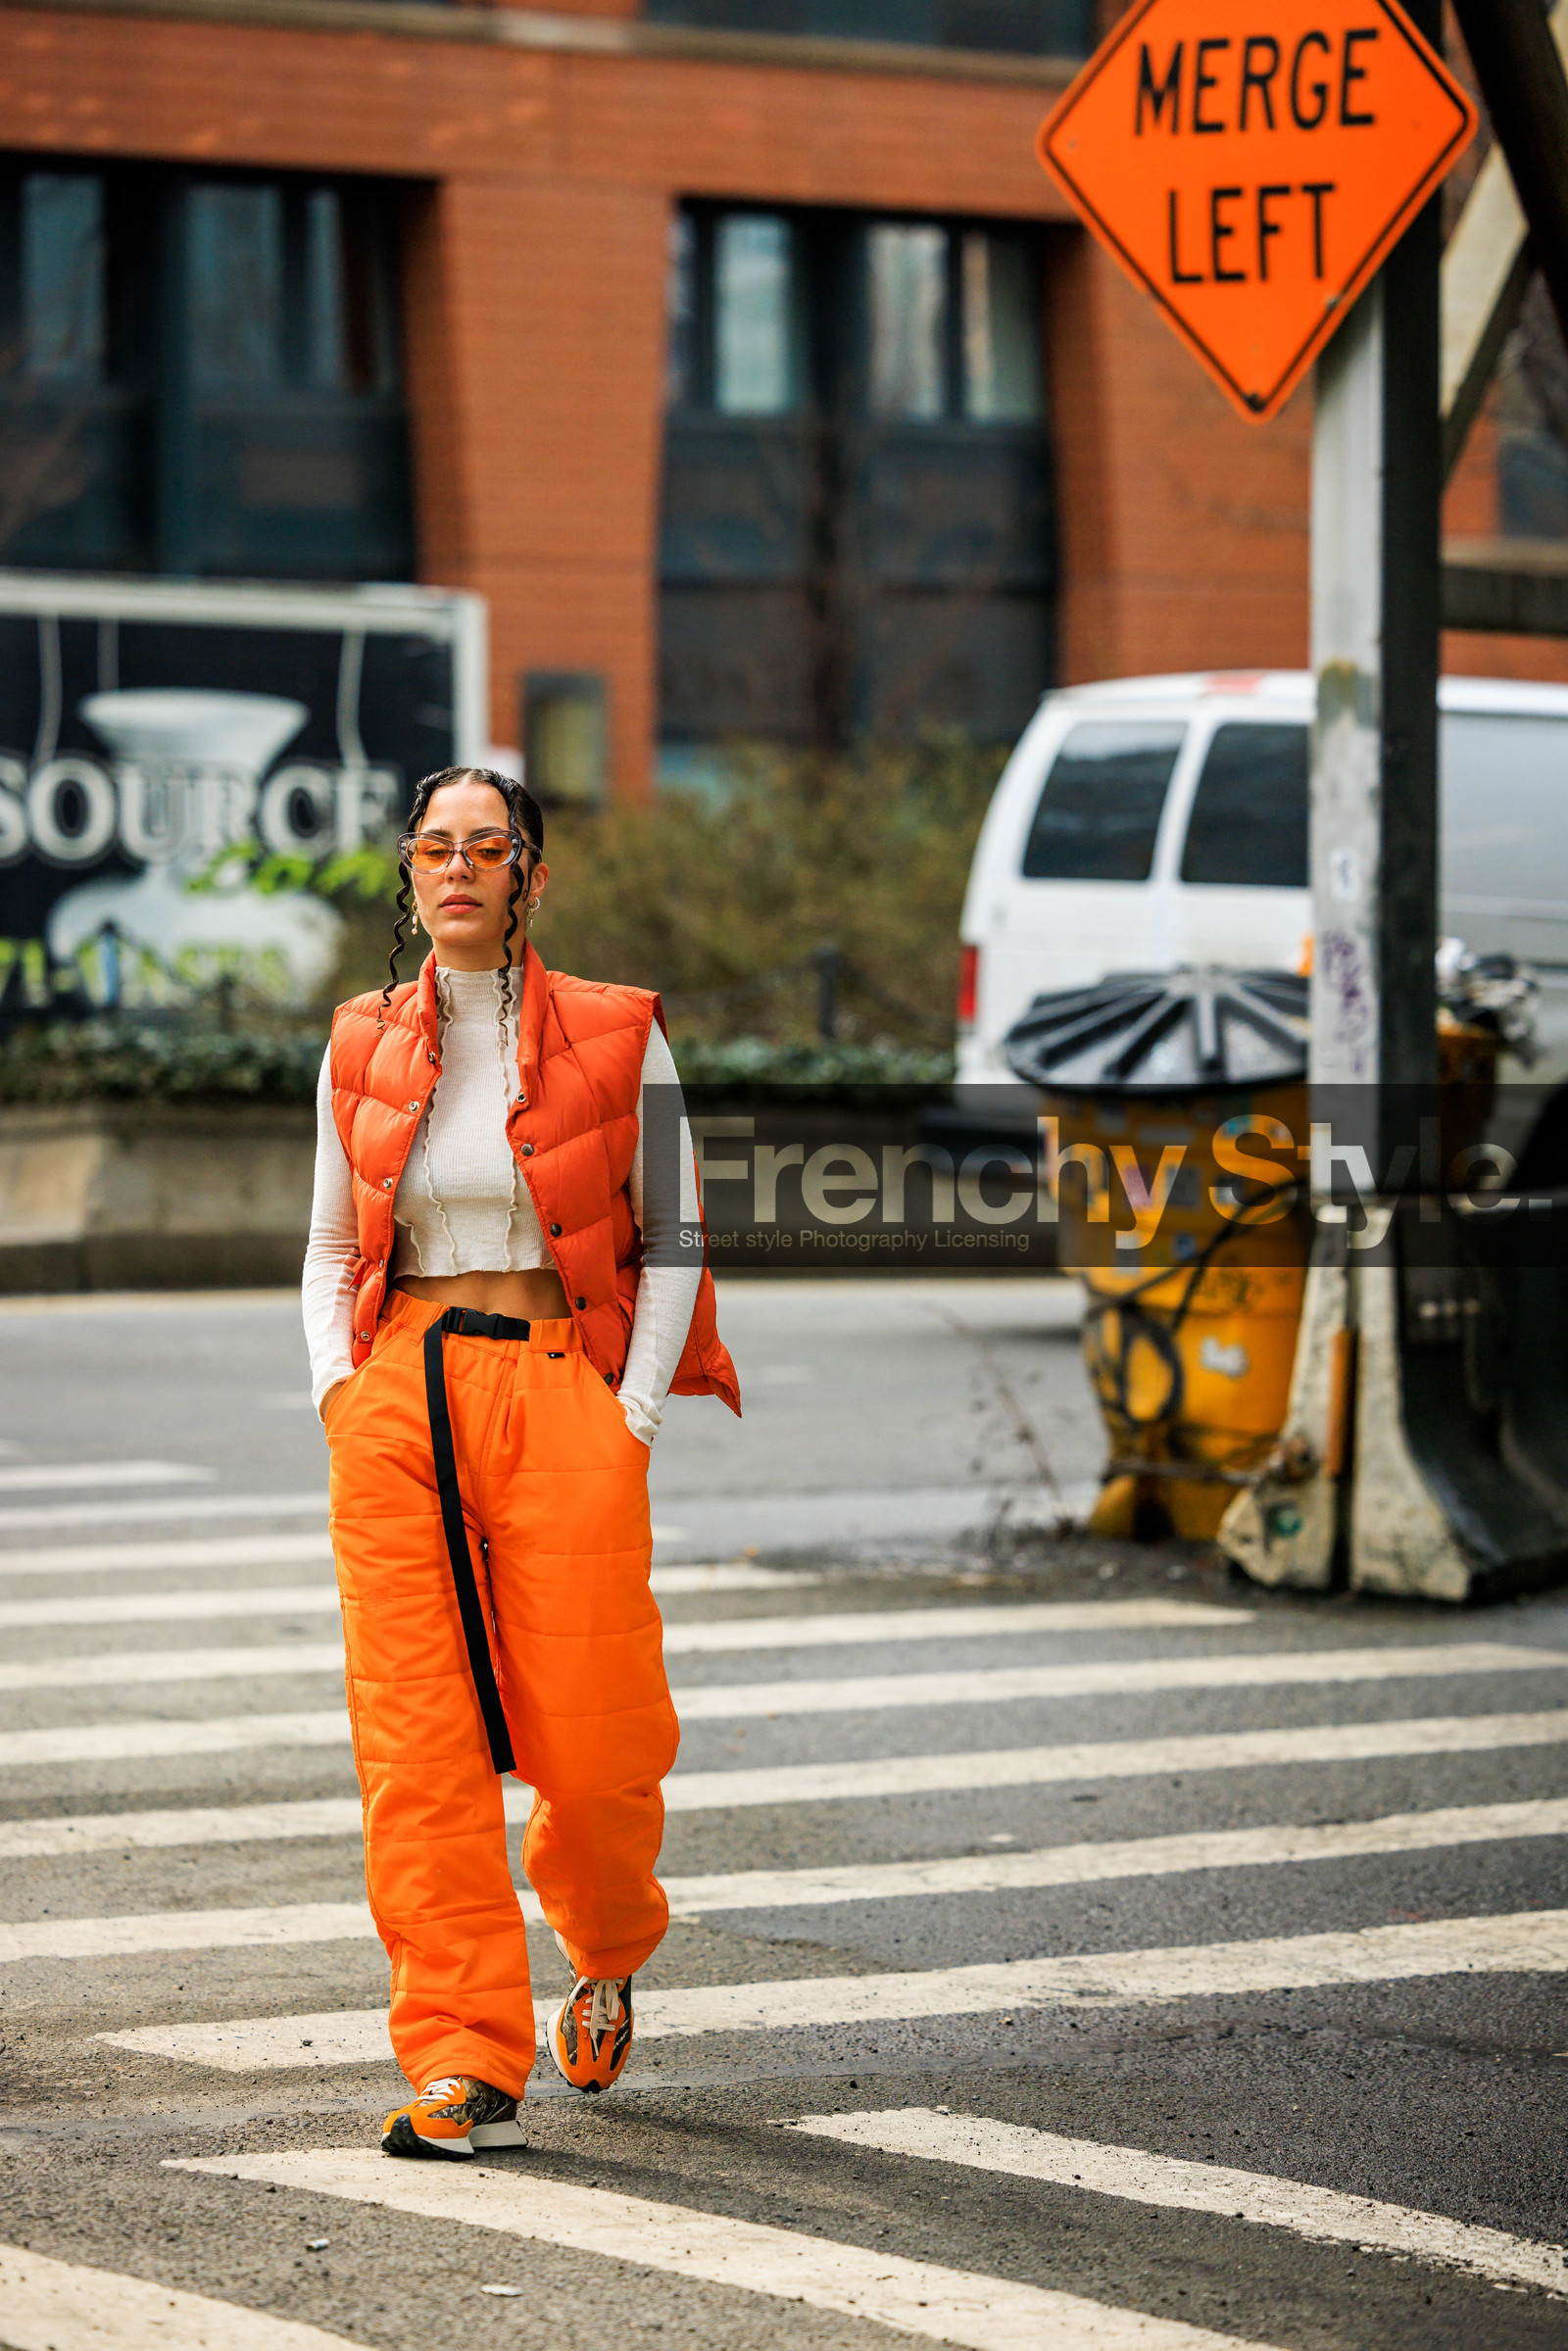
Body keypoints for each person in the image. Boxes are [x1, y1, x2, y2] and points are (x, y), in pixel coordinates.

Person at [302, 764, 739, 2159]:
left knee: (598, 1744)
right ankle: (462, 2060)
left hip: (564, 1393)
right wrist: (337, 1392)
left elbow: (676, 1236)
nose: (457, 866)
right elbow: (329, 1247)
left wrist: (634, 1416)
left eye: (485, 846)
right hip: (400, 1397)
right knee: (415, 1748)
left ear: (531, 875)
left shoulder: (621, 1031)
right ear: (408, 870)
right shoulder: (360, 1039)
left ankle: (605, 1948)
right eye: (434, 845)